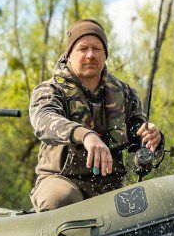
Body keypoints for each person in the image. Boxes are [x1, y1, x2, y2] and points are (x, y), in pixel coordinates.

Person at [29, 19, 163, 211]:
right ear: (69, 55)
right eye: (83, 48)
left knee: (148, 206)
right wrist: (86, 135)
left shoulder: (124, 92)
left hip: (111, 185)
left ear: (105, 55)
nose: (90, 55)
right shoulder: (50, 89)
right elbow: (44, 121)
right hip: (61, 179)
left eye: (97, 49)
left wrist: (153, 138)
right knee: (60, 198)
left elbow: (138, 134)